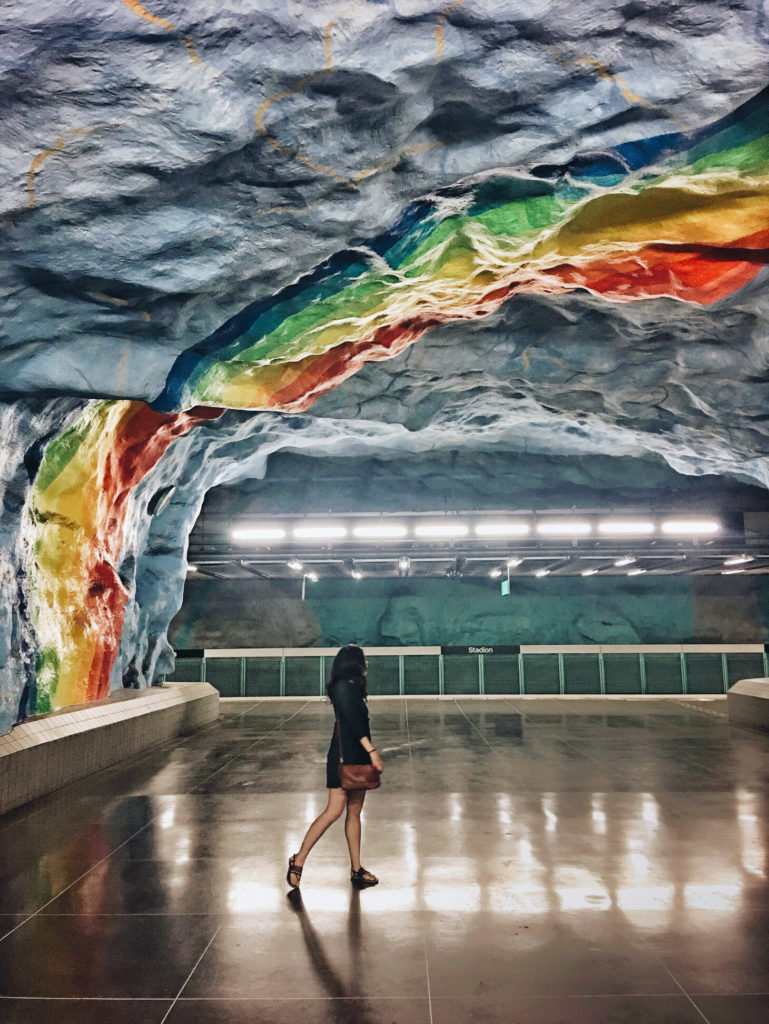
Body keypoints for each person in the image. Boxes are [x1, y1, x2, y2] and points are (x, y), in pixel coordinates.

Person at [287, 644, 384, 889]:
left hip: (357, 758)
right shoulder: (343, 688)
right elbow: (353, 723)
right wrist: (372, 752)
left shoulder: (351, 687)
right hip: (344, 758)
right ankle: (298, 859)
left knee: (354, 812)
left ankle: (356, 868)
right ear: (354, 663)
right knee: (333, 811)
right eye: (364, 660)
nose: (367, 665)